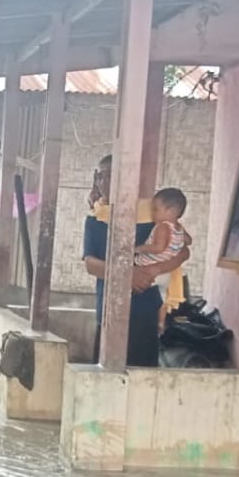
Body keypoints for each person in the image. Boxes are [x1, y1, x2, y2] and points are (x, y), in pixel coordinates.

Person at [83, 155, 189, 367]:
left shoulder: (151, 214)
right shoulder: (96, 218)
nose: (104, 182)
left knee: (141, 371)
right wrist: (126, 275)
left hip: (145, 307)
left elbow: (182, 251)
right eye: (100, 176)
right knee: (104, 372)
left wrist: (155, 269)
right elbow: (90, 264)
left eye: (112, 175)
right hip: (109, 307)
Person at [133, 187, 193, 330]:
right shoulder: (179, 228)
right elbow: (189, 241)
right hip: (167, 274)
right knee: (162, 299)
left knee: (135, 290)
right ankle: (160, 323)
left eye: (156, 209)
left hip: (149, 267)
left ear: (170, 212)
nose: (153, 213)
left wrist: (138, 248)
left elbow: (159, 248)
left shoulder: (162, 227)